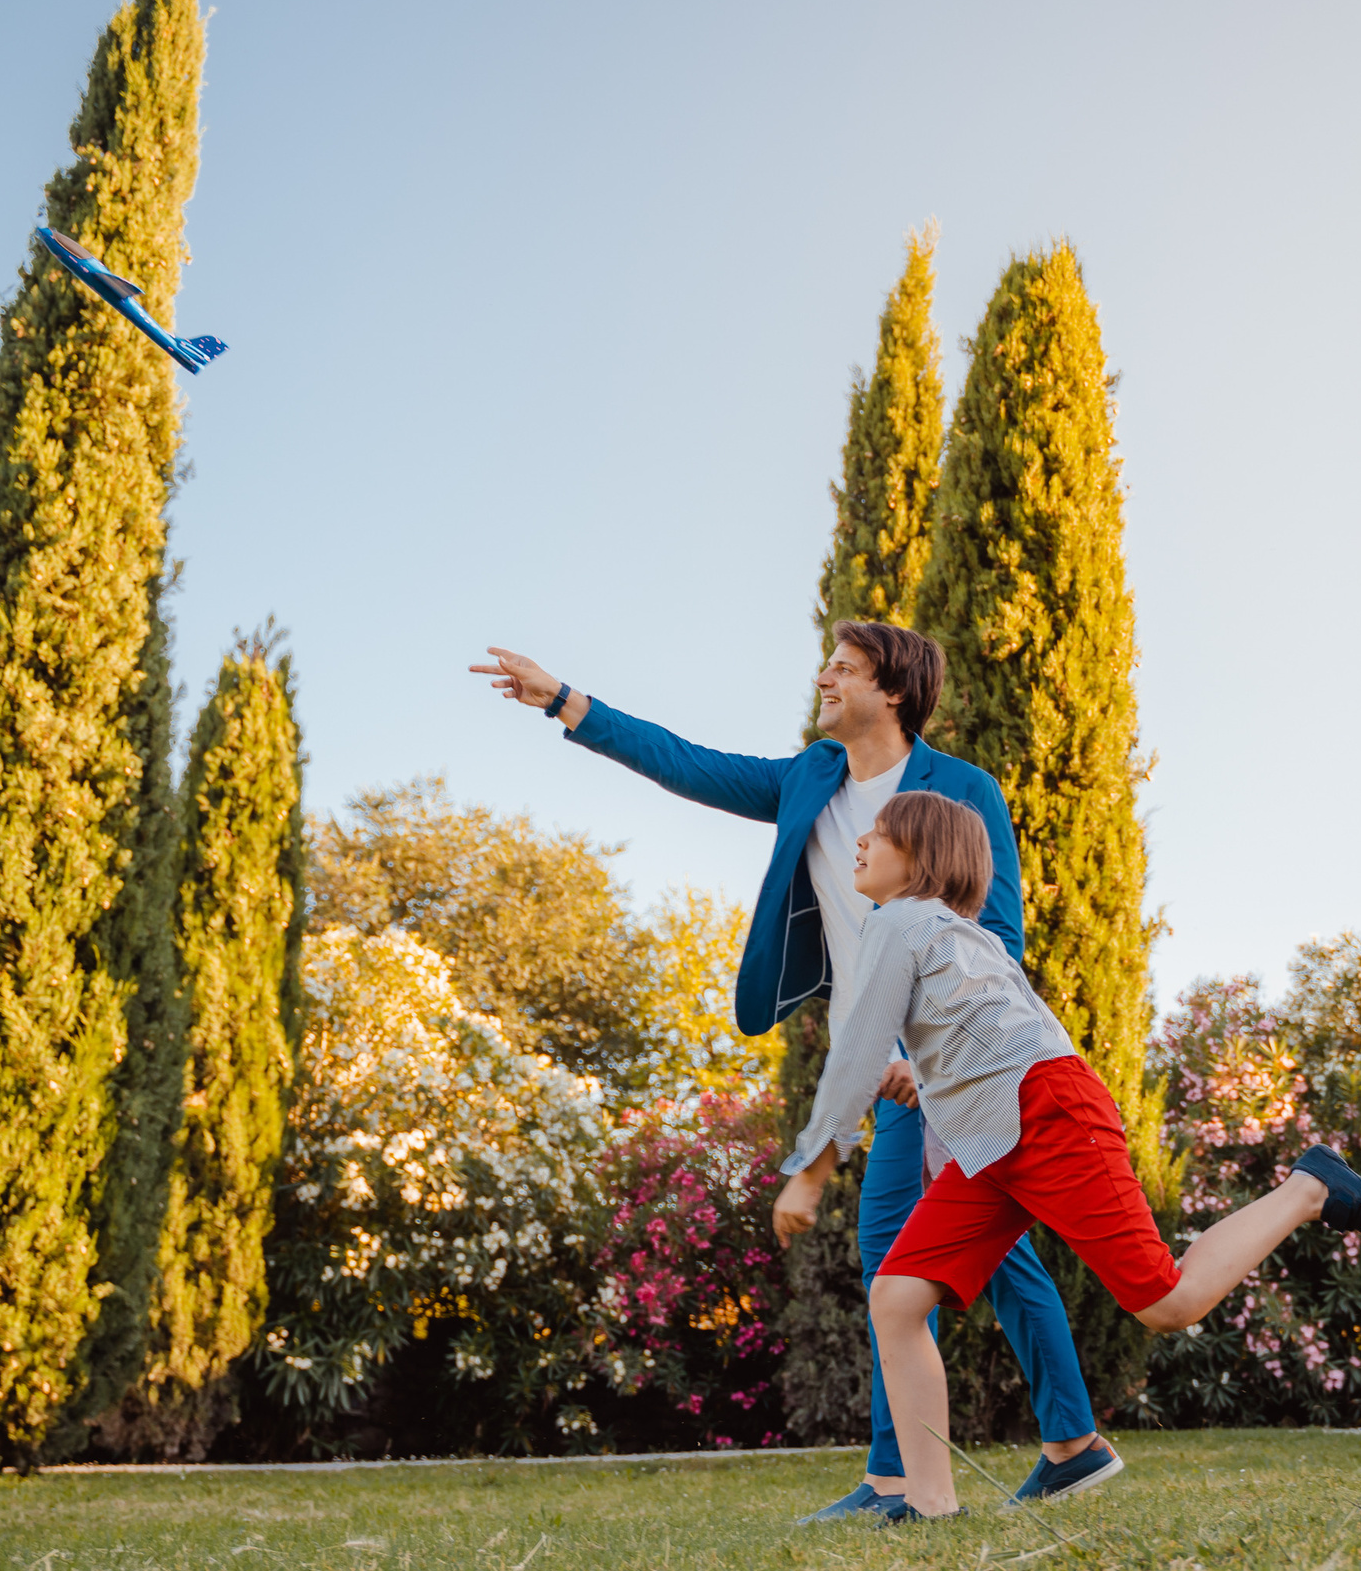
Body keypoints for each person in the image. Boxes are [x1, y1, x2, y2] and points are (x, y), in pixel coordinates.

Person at [475, 623, 1120, 1519]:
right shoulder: (809, 778)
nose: (826, 676)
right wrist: (563, 700)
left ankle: (912, 1479)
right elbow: (687, 762)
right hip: (893, 1067)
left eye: (845, 667)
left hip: (954, 1063)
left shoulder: (961, 790)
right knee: (957, 1250)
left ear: (891, 691)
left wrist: (914, 1045)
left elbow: (996, 933)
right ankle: (1069, 1444)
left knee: (904, 1248)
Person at [775, 792, 1361, 1521]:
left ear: (920, 857)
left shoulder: (900, 920)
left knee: (1168, 1302)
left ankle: (1309, 1187)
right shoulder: (949, 934)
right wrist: (932, 1078)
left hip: (1050, 1116)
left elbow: (856, 1053)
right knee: (898, 1296)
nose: (859, 845)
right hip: (994, 1138)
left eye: (877, 835)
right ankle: (928, 1501)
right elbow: (987, 1029)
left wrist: (811, 1170)